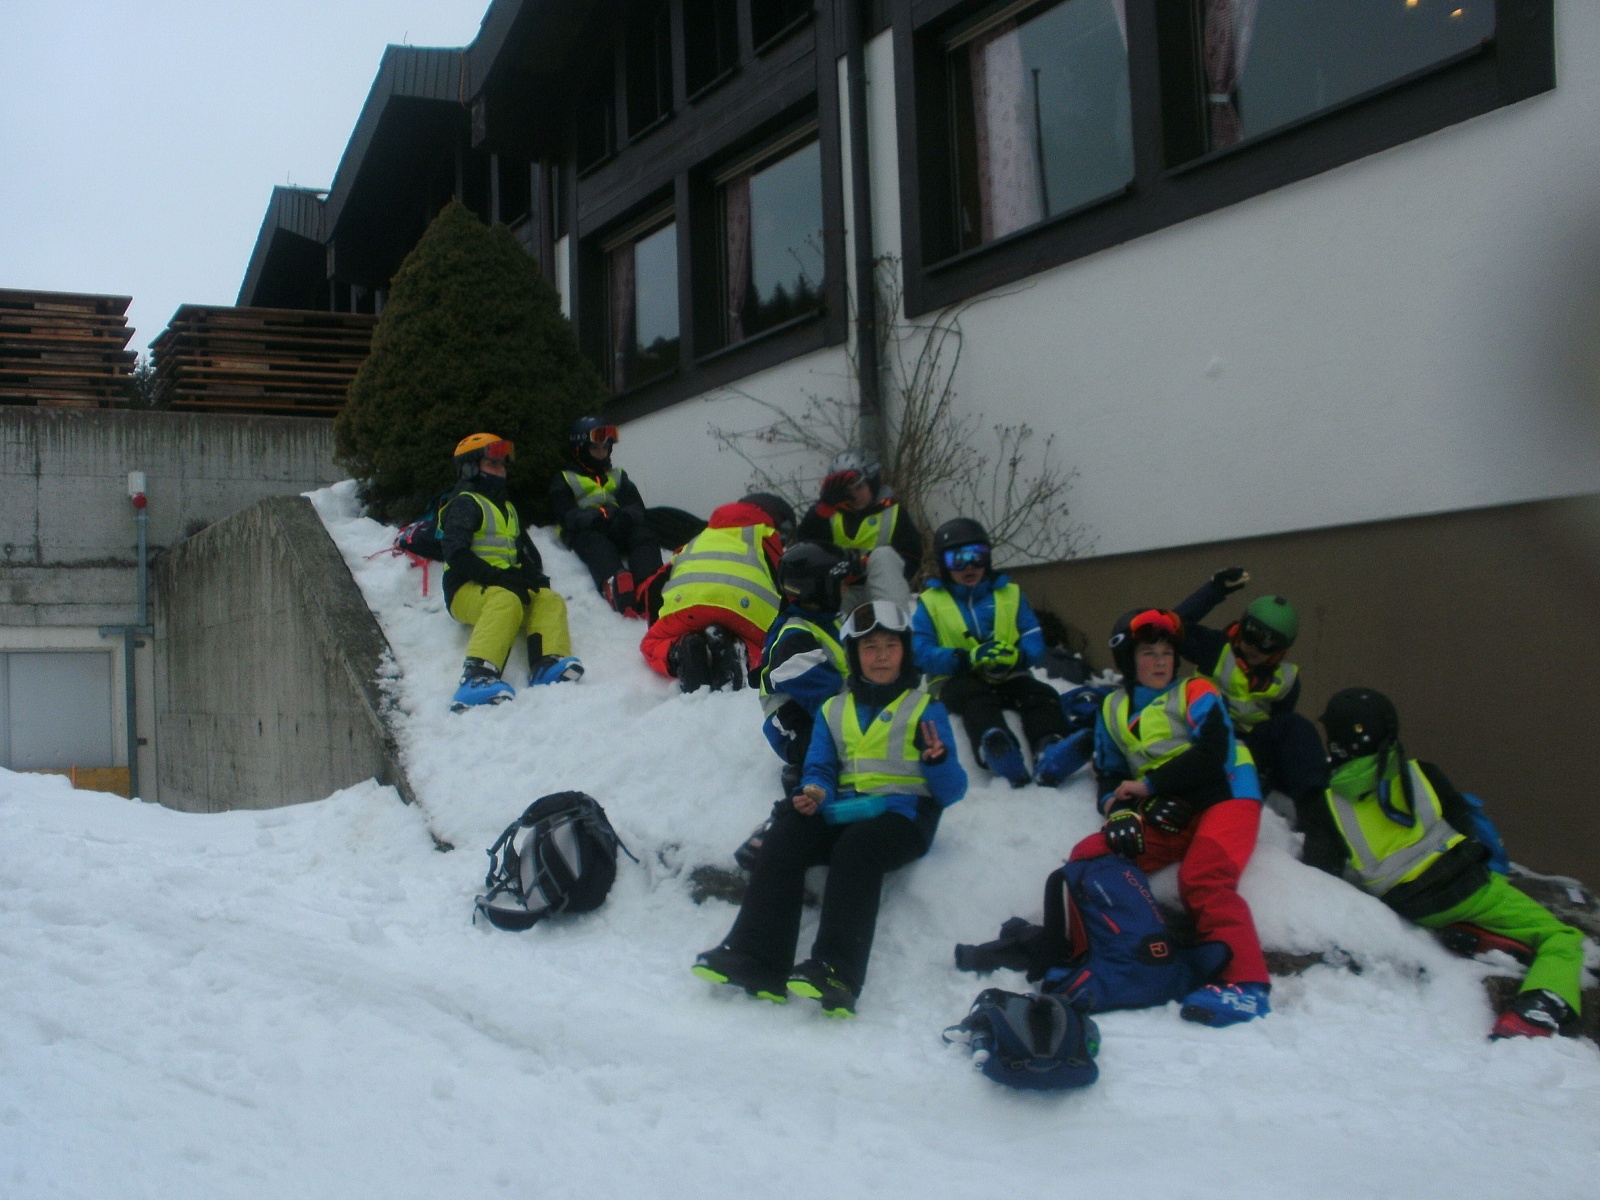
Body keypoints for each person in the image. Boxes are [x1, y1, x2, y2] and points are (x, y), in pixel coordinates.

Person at [693, 600, 967, 1016]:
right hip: (847, 812)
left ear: (905, 651)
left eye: (890, 646)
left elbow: (952, 791)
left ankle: (837, 972)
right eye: (870, 647)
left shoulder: (925, 708)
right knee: (787, 830)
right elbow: (820, 767)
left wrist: (938, 760)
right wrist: (815, 793)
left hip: (904, 818)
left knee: (858, 847)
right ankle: (757, 959)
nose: (881, 657)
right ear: (854, 654)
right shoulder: (834, 708)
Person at [1312, 688, 1585, 1039]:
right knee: (1561, 938)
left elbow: (1322, 870)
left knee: (1491, 912)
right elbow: (1466, 826)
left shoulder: (1327, 805)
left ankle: (1477, 934)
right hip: (1470, 889)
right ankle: (1536, 1011)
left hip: (1410, 906)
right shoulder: (1422, 773)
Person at [1069, 608, 1272, 1026]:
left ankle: (1247, 986)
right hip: (1167, 806)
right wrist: (1119, 812)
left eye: (1167, 653)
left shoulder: (1197, 690)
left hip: (1227, 795)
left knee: (1202, 877)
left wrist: (1151, 788)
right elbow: (1109, 774)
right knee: (1090, 855)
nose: (1161, 661)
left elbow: (1215, 753)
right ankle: (1110, 956)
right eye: (1148, 653)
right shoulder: (1112, 707)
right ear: (1128, 661)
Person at [910, 517, 1081, 787]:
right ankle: (995, 748)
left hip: (1007, 674)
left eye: (977, 557)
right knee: (975, 698)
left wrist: (1019, 656)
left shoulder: (1009, 593)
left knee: (1039, 694)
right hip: (956, 679)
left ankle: (1049, 745)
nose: (969, 566)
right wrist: (964, 658)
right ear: (944, 563)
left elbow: (1032, 635)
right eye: (958, 559)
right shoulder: (931, 602)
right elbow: (920, 651)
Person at [1173, 569, 1328, 826]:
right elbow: (1172, 628)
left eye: (1268, 643)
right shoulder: (1215, 648)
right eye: (1251, 633)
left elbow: (1280, 731)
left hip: (1249, 748)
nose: (1254, 646)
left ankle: (1315, 810)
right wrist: (1214, 590)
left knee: (1295, 727)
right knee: (1211, 708)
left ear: (1281, 650)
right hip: (1205, 739)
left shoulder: (1285, 680)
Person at [441, 433, 582, 710]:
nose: (501, 471)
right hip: (464, 589)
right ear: (470, 469)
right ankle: (475, 677)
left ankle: (547, 663)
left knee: (548, 598)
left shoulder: (506, 508)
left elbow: (516, 552)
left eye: (502, 465)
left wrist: (531, 578)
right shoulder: (465, 503)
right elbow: (455, 552)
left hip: (500, 583)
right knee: (505, 600)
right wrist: (497, 578)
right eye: (492, 464)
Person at [640, 492, 794, 692]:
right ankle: (740, 651)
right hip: (745, 613)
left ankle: (679, 652)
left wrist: (661, 623)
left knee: (652, 644)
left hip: (688, 606)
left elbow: (656, 583)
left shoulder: (700, 537)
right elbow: (786, 588)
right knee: (766, 648)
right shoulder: (766, 536)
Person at [548, 416, 662, 617]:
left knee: (643, 535)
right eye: (595, 448)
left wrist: (625, 518)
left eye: (605, 448)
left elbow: (636, 505)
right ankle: (615, 584)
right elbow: (565, 513)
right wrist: (594, 518)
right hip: (587, 531)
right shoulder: (565, 478)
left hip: (617, 525)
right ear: (581, 450)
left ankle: (648, 584)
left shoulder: (618, 475)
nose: (601, 453)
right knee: (597, 545)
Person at [796, 449, 920, 612]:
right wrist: (820, 513)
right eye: (847, 491)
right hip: (841, 590)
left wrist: (865, 564)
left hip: (880, 589)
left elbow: (912, 557)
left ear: (872, 482)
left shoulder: (893, 512)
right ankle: (831, 627)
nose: (854, 496)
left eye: (859, 487)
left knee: (884, 555)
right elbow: (804, 550)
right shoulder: (828, 515)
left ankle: (895, 623)